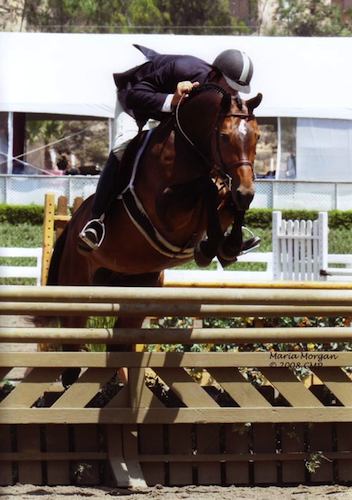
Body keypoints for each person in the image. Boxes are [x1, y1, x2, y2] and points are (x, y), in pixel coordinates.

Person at [79, 44, 256, 251]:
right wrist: (172, 99)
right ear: (216, 75)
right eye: (231, 87)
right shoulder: (184, 69)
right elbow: (136, 95)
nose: (234, 94)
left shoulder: (222, 96)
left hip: (170, 112)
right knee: (122, 147)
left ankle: (225, 233)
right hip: (135, 100)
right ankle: (96, 220)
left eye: (238, 90)